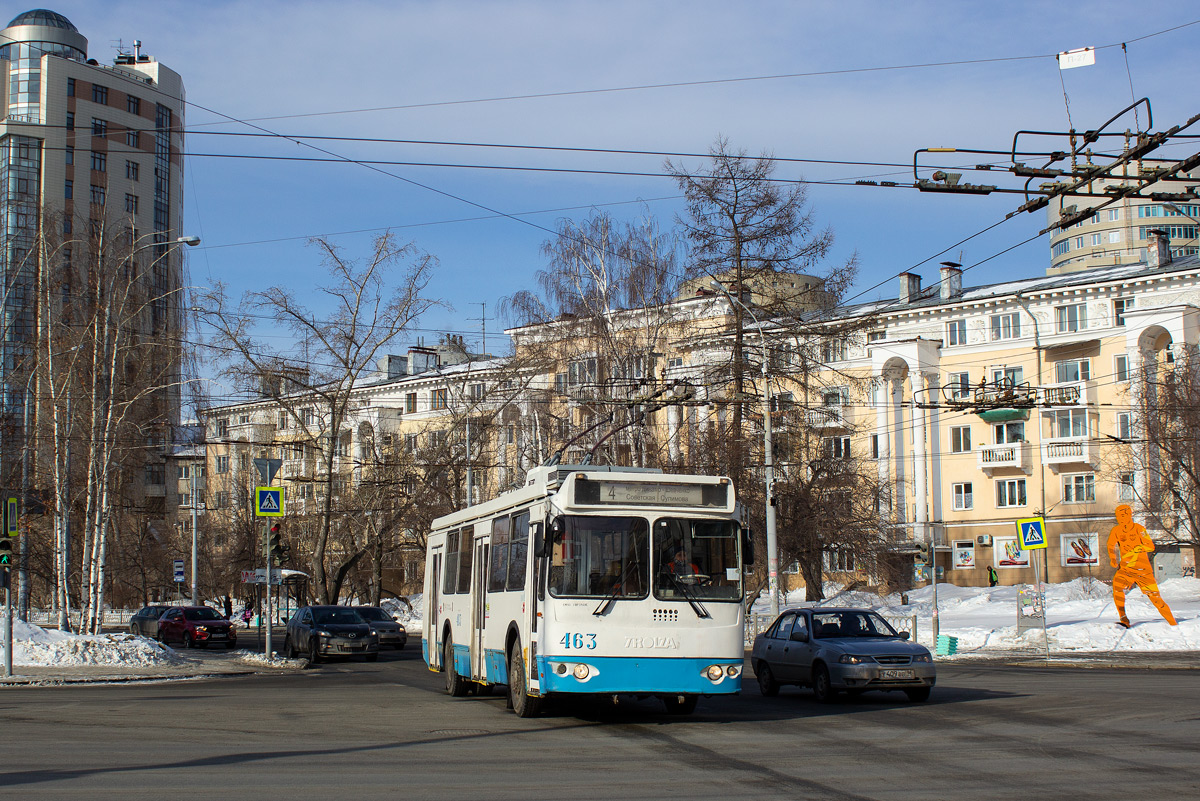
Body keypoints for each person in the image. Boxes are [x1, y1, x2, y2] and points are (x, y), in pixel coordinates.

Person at [1107, 503, 1177, 627]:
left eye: (1122, 516)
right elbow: (1110, 545)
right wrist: (1113, 559)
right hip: (1126, 569)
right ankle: (1123, 618)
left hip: (1143, 570)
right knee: (1117, 587)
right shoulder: (1116, 530)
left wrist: (1138, 548)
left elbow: (1150, 546)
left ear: (1129, 515)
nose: (1120, 519)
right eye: (1118, 516)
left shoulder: (1139, 529)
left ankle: (1173, 623)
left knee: (1155, 598)